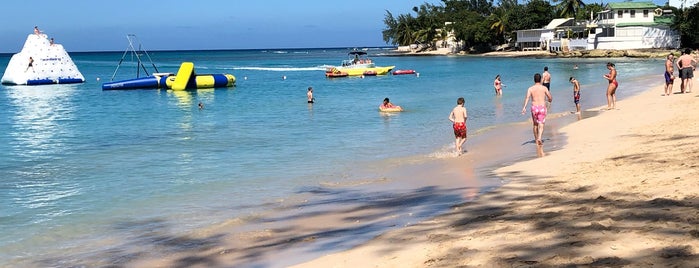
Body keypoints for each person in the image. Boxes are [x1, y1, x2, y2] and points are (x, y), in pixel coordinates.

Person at [521, 73, 553, 146]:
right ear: (541, 79)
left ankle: (536, 140)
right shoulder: (544, 88)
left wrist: (524, 107)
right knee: (541, 124)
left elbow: (527, 98)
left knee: (535, 124)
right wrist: (550, 100)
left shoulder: (530, 88)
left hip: (534, 107)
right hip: (542, 107)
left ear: (534, 80)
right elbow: (549, 97)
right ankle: (539, 138)